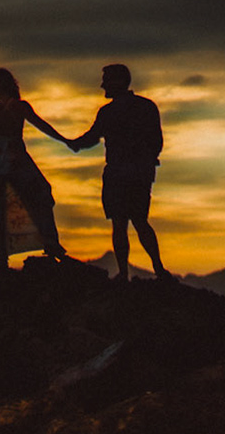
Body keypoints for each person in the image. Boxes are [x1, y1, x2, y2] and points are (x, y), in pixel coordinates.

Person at [67, 63, 171, 281]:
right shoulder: (146, 107)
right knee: (138, 222)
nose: (102, 85)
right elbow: (157, 142)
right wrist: (145, 163)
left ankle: (125, 274)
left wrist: (74, 143)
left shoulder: (109, 112)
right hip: (138, 174)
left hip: (119, 174)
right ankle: (158, 269)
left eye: (106, 80)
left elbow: (92, 137)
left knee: (121, 224)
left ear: (119, 82)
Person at [0, 67, 75, 270]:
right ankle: (4, 259)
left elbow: (41, 125)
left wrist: (64, 140)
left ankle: (49, 244)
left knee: (37, 195)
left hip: (13, 162)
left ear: (1, 85)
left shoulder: (18, 107)